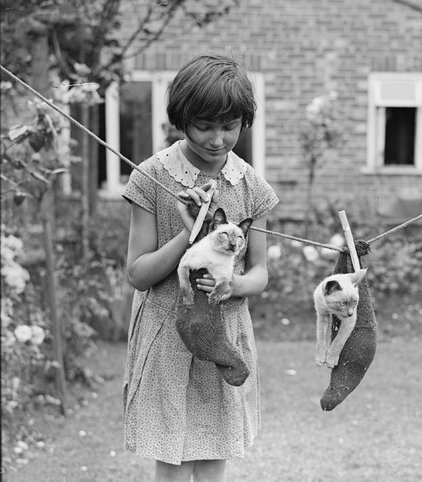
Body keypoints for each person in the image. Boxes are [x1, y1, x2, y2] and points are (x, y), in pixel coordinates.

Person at [122, 54, 279, 482]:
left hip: (223, 335)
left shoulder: (252, 187)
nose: (216, 139)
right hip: (166, 331)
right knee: (171, 456)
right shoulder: (151, 177)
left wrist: (235, 285)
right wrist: (189, 236)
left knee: (213, 452)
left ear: (244, 122)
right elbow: (137, 274)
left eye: (229, 126)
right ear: (180, 119)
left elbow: (260, 271)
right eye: (204, 126)